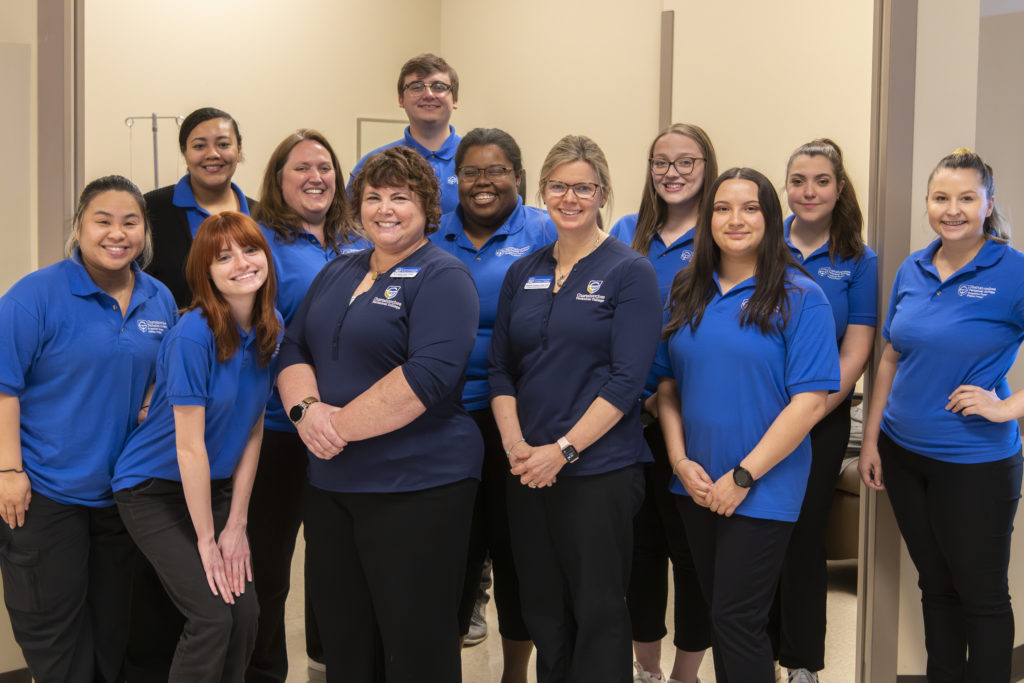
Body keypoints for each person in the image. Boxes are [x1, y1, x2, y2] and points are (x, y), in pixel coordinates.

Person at [278, 146, 482, 682]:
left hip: (416, 485)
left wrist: (333, 426)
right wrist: (305, 412)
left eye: (400, 197)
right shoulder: (340, 270)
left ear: (428, 209)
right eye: (373, 197)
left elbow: (428, 375)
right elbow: (293, 347)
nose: (385, 209)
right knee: (346, 637)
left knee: (414, 641)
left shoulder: (444, 276)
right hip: (333, 486)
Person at [488, 134, 662, 683]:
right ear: (542, 192)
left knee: (597, 609)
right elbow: (501, 370)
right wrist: (517, 447)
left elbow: (627, 379)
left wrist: (562, 451)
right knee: (543, 607)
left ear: (603, 193)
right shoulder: (524, 272)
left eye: (583, 187)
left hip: (598, 470)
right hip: (526, 469)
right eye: (558, 186)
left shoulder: (630, 272)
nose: (570, 197)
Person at [655, 168, 839, 682]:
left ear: (770, 218)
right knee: (723, 616)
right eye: (722, 208)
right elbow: (667, 387)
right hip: (694, 483)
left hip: (762, 485)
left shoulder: (802, 296)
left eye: (750, 207)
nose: (735, 219)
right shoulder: (687, 287)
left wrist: (742, 477)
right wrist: (679, 460)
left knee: (736, 620)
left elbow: (809, 403)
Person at [0, 175, 176, 682]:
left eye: (130, 222)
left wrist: (146, 403)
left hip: (122, 495)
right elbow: (3, 388)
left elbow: (159, 373)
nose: (116, 233)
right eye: (102, 221)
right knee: (53, 630)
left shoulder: (157, 299)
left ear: (145, 231)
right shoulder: (35, 295)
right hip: (45, 492)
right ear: (79, 226)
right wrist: (9, 469)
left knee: (111, 629)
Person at [859, 148, 1024, 682]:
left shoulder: (1012, 271)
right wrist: (872, 440)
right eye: (941, 197)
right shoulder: (914, 265)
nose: (951, 209)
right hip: (905, 456)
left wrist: (1004, 407)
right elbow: (890, 355)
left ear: (988, 204)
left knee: (981, 595)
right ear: (928, 203)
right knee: (935, 584)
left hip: (973, 462)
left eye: (966, 198)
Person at [113, 211, 282, 683]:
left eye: (250, 250)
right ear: (205, 272)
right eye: (223, 257)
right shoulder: (193, 335)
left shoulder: (271, 327)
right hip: (152, 490)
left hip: (216, 486)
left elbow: (253, 428)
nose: (241, 263)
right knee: (211, 617)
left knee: (244, 615)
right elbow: (189, 448)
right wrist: (208, 540)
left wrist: (237, 525)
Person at [431, 127, 555, 682]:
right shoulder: (432, 233)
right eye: (472, 172)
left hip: (519, 417)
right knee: (452, 551)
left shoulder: (545, 230)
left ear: (518, 176)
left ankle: (514, 673)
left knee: (516, 553)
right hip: (442, 416)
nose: (483, 183)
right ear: (456, 178)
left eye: (496, 170)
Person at [247, 129, 366, 682]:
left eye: (325, 167)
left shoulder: (360, 240)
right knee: (268, 566)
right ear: (277, 179)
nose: (316, 177)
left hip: (348, 429)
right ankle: (263, 671)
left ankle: (327, 664)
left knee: (334, 563)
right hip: (276, 427)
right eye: (301, 168)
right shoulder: (260, 241)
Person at [767, 138, 877, 683]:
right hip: (758, 410)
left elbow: (855, 352)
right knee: (757, 528)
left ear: (839, 189)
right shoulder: (763, 241)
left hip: (823, 416)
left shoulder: (858, 258)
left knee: (803, 533)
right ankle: (754, 650)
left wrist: (808, 412)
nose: (808, 191)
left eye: (821, 181)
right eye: (798, 180)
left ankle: (803, 661)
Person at [610, 123, 717, 683]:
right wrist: (640, 397)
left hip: (697, 419)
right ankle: (647, 669)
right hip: (628, 416)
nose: (672, 172)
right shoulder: (629, 231)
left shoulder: (721, 233)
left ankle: (686, 673)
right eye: (661, 162)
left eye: (685, 161)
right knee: (641, 552)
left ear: (707, 166)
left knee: (693, 556)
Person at [145, 106, 256, 307]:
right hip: (173, 334)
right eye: (199, 146)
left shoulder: (261, 216)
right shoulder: (151, 210)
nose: (212, 154)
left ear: (239, 150)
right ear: (184, 152)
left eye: (223, 144)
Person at [348, 53, 461, 213]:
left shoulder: (477, 161)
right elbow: (350, 229)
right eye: (416, 87)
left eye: (439, 87)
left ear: (455, 99)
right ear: (401, 99)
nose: (428, 95)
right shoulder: (371, 164)